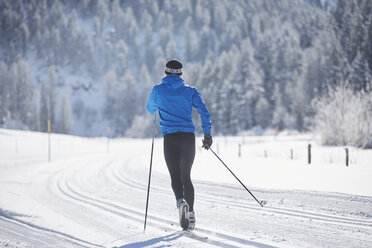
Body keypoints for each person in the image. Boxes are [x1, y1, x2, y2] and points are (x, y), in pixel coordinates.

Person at [146, 59, 213, 230]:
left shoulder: (158, 90)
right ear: (181, 74)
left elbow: (151, 109)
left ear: (166, 73)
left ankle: (180, 202)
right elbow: (204, 111)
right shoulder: (190, 91)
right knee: (186, 177)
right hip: (188, 138)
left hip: (170, 139)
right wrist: (207, 134)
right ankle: (190, 213)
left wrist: (159, 103)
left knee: (175, 176)